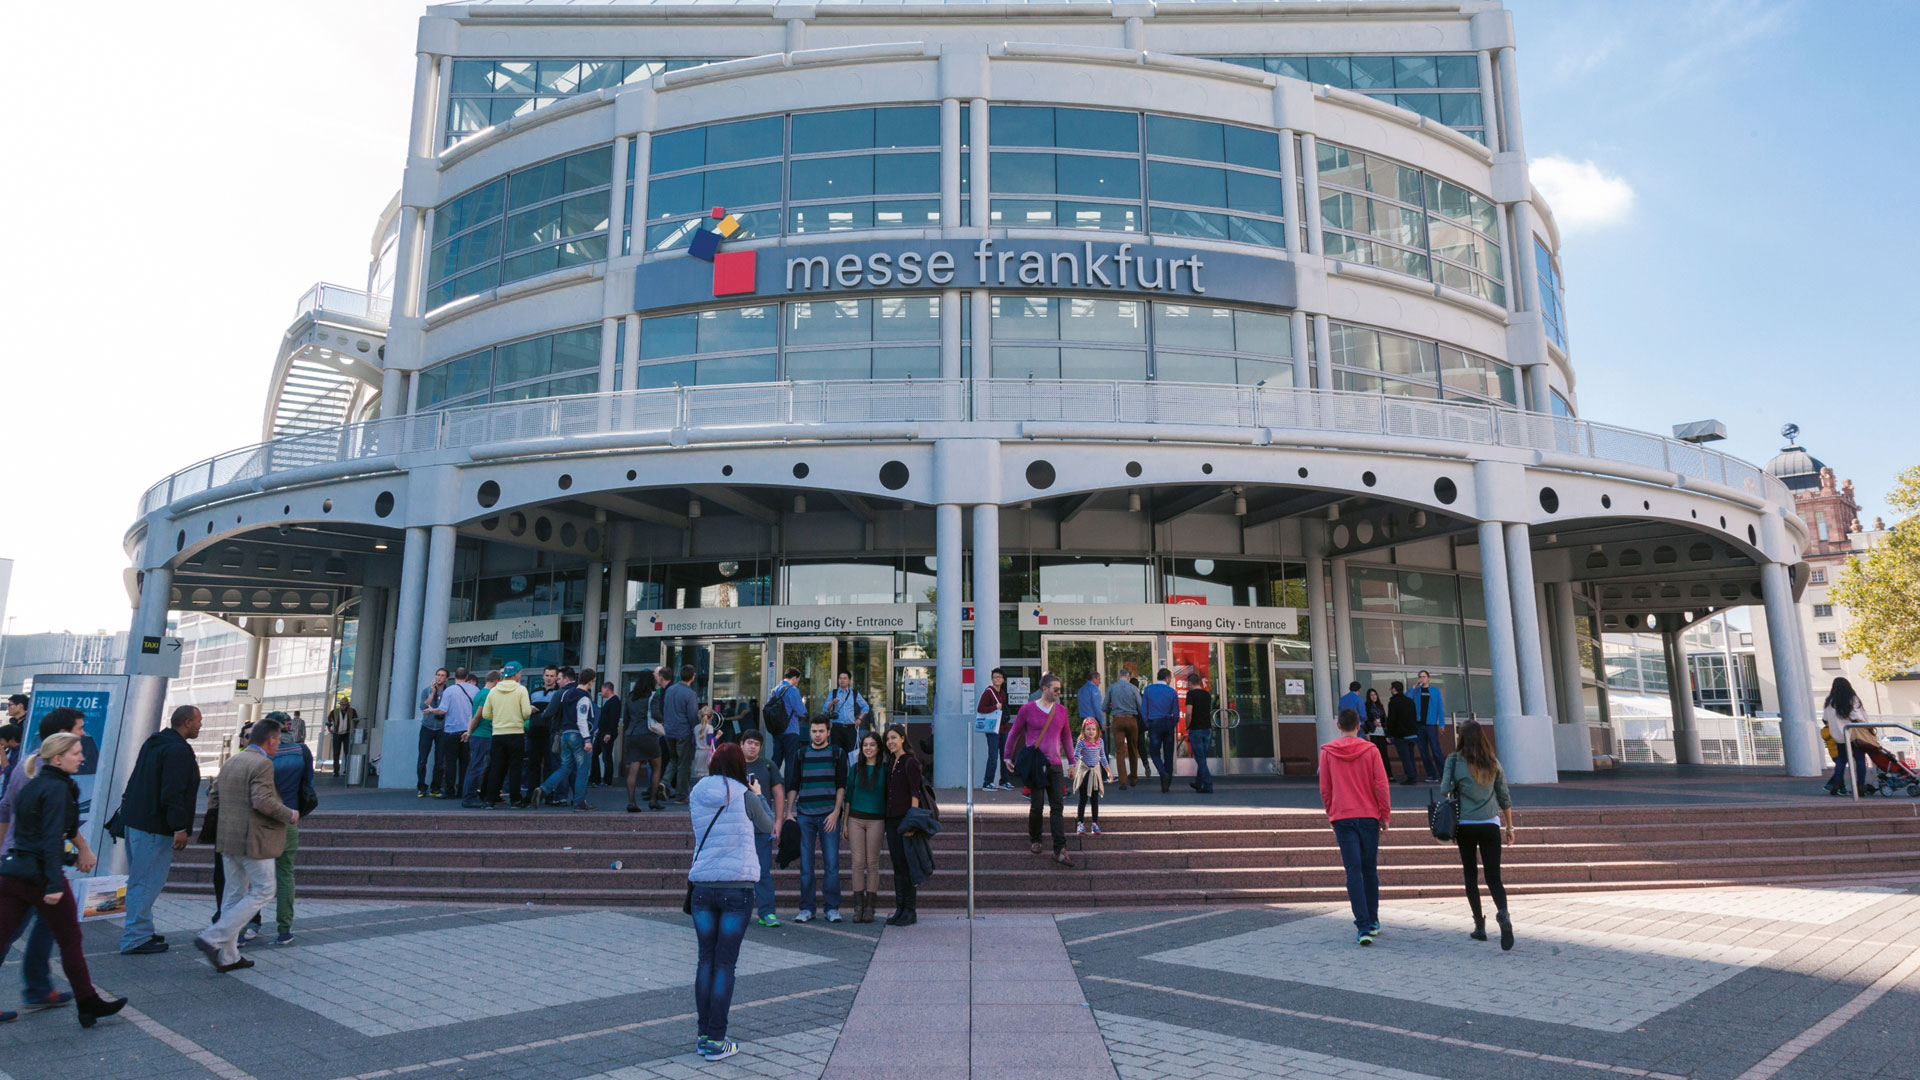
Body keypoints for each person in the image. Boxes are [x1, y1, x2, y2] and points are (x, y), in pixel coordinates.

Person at [0, 732, 128, 1028]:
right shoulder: (58, 789)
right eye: (76, 753)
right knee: (70, 941)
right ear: (58, 758)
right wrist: (56, 884)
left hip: (14, 872)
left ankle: (87, 1003)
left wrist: (75, 856)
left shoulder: (34, 785)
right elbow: (48, 839)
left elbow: (30, 836)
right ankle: (88, 1003)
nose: (82, 758)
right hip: (41, 876)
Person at [0, 707, 95, 1019]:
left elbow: (6, 811)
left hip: (20, 861)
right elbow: (51, 828)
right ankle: (52, 991)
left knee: (36, 927)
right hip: (34, 864)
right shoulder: (45, 775)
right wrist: (79, 851)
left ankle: (40, 987)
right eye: (79, 729)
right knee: (46, 929)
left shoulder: (27, 764)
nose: (83, 734)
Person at [686, 742, 774, 1062]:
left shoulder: (697, 793)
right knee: (725, 964)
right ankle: (717, 1039)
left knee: (705, 961)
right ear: (739, 766)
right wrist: (759, 793)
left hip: (702, 889)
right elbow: (768, 827)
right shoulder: (745, 795)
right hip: (737, 889)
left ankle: (702, 1035)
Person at [196, 717, 298, 972]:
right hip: (253, 839)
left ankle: (228, 956)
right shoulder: (262, 763)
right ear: (271, 739)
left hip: (227, 838)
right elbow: (262, 800)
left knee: (234, 894)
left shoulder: (232, 761)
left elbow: (214, 798)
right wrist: (290, 815)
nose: (279, 745)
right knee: (264, 890)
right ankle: (213, 936)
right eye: (278, 740)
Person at [116, 704, 202, 955]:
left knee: (141, 880)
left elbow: (137, 781)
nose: (200, 725)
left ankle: (142, 929)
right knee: (145, 883)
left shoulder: (154, 743)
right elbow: (172, 792)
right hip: (155, 827)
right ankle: (135, 938)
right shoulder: (176, 750)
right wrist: (180, 827)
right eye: (198, 721)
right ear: (186, 722)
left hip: (137, 823)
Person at [1318, 707, 1391, 946]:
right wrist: (1384, 814)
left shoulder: (1327, 753)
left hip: (1343, 817)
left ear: (1338, 726)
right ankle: (1373, 919)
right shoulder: (1371, 750)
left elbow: (1325, 789)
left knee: (1353, 871)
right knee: (1369, 869)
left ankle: (1362, 928)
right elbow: (1381, 785)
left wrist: (1332, 813)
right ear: (1359, 726)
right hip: (1369, 816)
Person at [1441, 719, 1514, 949]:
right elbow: (1504, 796)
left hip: (1465, 825)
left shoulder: (1454, 760)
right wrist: (1510, 827)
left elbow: (1444, 790)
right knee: (1494, 877)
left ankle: (1479, 927)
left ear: (1461, 737)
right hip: (1490, 824)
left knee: (1470, 874)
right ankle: (1503, 915)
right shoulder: (1493, 761)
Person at [1003, 674, 1075, 866]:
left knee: (1057, 807)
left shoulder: (1061, 711)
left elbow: (1067, 737)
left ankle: (1060, 849)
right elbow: (1014, 732)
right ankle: (1036, 839)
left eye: (1060, 689)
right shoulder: (1027, 710)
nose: (1059, 692)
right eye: (1055, 689)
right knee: (1037, 805)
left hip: (1056, 765)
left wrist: (1073, 763)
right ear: (1044, 689)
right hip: (1036, 766)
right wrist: (1007, 756)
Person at [783, 718, 847, 923]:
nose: (817, 734)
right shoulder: (801, 754)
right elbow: (793, 784)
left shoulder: (838, 753)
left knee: (831, 864)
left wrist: (837, 812)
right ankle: (807, 908)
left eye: (821, 731)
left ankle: (831, 908)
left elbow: (841, 785)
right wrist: (788, 812)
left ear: (828, 732)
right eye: (813, 731)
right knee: (806, 866)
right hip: (804, 815)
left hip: (829, 815)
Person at [265, 712, 317, 946]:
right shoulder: (301, 751)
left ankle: (245, 928)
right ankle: (284, 929)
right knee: (285, 875)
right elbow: (308, 785)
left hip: (262, 821)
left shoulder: (262, 753)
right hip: (290, 819)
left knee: (250, 878)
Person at [737, 729, 784, 927]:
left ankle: (766, 912)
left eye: (756, 743)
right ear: (741, 744)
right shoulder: (733, 765)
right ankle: (737, 911)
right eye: (749, 742)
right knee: (737, 872)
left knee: (762, 871)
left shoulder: (768, 765)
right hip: (737, 827)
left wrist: (778, 821)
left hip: (762, 828)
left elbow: (779, 794)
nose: (752, 746)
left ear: (761, 747)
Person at [882, 724, 927, 926]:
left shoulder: (910, 762)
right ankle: (900, 908)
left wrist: (912, 822)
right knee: (898, 866)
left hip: (905, 820)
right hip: (891, 820)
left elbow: (915, 793)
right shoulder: (892, 761)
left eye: (894, 738)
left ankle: (910, 910)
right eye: (887, 739)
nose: (890, 742)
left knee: (908, 866)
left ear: (902, 738)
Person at [538, 667, 597, 811]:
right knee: (582, 769)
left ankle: (544, 789)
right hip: (578, 735)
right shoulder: (584, 697)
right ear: (590, 682)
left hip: (564, 734)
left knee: (565, 767)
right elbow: (582, 719)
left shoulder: (566, 694)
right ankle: (579, 801)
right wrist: (588, 740)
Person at [844, 731, 888, 923]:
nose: (868, 748)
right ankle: (858, 906)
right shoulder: (855, 768)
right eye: (865, 745)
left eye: (872, 744)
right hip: (855, 819)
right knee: (857, 862)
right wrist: (844, 823)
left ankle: (870, 906)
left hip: (876, 820)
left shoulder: (885, 769)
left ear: (878, 747)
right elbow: (848, 798)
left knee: (872, 863)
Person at [478, 662, 533, 808]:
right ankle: (515, 800)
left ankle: (490, 800)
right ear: (517, 674)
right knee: (515, 768)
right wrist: (519, 717)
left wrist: (499, 719)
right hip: (516, 733)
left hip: (498, 734)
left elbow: (486, 714)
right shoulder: (521, 690)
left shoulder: (494, 691)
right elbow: (527, 712)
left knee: (496, 767)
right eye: (520, 673)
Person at [1823, 677, 1876, 795]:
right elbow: (1858, 716)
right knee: (1860, 759)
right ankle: (1860, 785)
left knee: (1841, 760)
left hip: (1839, 736)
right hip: (1854, 734)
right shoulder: (1852, 698)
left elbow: (1825, 719)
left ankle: (1837, 783)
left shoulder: (1829, 701)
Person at [624, 671, 665, 813]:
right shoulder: (653, 696)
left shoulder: (630, 697)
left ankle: (631, 802)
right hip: (648, 735)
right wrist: (662, 719)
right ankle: (653, 800)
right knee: (656, 767)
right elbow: (656, 714)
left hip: (632, 734)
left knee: (633, 769)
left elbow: (626, 717)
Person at [437, 668, 479, 801]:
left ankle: (449, 790)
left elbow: (443, 710)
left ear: (454, 676)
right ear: (467, 676)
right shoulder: (475, 690)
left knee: (450, 762)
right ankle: (463, 790)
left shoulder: (449, 690)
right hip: (468, 731)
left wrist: (431, 710)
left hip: (451, 731)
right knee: (465, 762)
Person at [459, 671, 499, 808]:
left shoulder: (480, 693)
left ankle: (468, 796)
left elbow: (472, 715)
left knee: (474, 766)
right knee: (476, 767)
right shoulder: (488, 694)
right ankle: (469, 798)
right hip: (483, 735)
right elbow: (478, 716)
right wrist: (470, 731)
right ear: (496, 681)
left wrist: (469, 731)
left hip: (478, 734)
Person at [664, 665, 702, 804]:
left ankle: (664, 782)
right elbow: (692, 716)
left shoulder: (670, 690)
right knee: (683, 764)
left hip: (669, 731)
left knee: (673, 759)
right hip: (683, 732)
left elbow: (665, 710)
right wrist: (695, 732)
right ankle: (681, 795)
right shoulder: (690, 694)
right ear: (693, 677)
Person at [523, 665, 559, 804]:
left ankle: (548, 795)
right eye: (547, 675)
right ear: (543, 676)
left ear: (556, 677)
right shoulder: (534, 692)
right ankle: (530, 794)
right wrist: (529, 707)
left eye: (552, 676)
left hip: (550, 732)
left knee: (550, 765)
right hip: (534, 732)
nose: (549, 678)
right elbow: (525, 708)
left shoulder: (558, 692)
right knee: (533, 765)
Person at [1141, 668, 1181, 794]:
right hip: (1168, 723)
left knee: (1154, 753)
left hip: (1154, 723)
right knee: (1169, 754)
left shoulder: (1148, 690)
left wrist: (1148, 724)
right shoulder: (1172, 692)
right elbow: (1176, 713)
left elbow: (1143, 710)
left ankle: (1163, 774)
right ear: (1167, 678)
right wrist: (1172, 724)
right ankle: (1167, 783)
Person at [1103, 669, 1143, 790]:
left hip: (1118, 720)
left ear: (1118, 676)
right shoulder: (1133, 688)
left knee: (1120, 751)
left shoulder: (1112, 687)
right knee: (1133, 749)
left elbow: (1104, 706)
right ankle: (1134, 777)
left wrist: (1114, 711)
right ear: (1128, 677)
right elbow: (1140, 705)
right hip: (1132, 719)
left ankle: (1122, 780)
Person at [1071, 718, 1111, 835]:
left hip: (1095, 774)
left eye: (1093, 729)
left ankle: (1094, 824)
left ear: (1097, 731)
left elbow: (1102, 757)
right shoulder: (1081, 742)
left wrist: (1108, 771)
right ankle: (1080, 823)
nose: (1091, 731)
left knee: (1094, 799)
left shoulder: (1100, 742)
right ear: (1084, 730)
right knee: (1083, 798)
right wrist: (1072, 767)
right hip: (1085, 773)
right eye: (1088, 729)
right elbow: (1076, 756)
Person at [765, 669, 806, 777]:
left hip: (777, 730)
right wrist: (803, 703)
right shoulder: (792, 690)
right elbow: (801, 712)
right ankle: (789, 790)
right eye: (797, 680)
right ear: (794, 678)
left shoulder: (775, 690)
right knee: (790, 762)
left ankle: (769, 784)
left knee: (776, 759)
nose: (797, 682)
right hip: (790, 730)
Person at [823, 670, 870, 759]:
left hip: (850, 729)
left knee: (851, 755)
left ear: (849, 681)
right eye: (840, 678)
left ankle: (850, 772)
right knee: (836, 754)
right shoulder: (833, 693)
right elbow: (825, 708)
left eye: (845, 678)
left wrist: (859, 719)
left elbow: (865, 707)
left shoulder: (854, 693)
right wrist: (832, 702)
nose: (842, 680)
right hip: (837, 728)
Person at [976, 668, 1011, 790]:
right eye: (995, 677)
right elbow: (980, 709)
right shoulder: (988, 692)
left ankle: (1004, 780)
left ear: (1003, 680)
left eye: (999, 677)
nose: (997, 679)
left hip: (1003, 728)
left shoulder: (1002, 693)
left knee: (1004, 755)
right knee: (993, 756)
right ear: (992, 679)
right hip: (992, 729)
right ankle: (987, 782)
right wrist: (994, 707)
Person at [417, 667, 449, 797]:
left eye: (442, 676)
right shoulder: (426, 690)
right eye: (437, 675)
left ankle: (435, 787)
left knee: (440, 759)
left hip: (442, 728)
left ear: (447, 678)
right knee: (422, 759)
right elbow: (423, 707)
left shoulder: (448, 692)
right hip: (427, 727)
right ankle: (421, 787)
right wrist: (432, 693)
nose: (439, 677)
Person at [1412, 670, 1447, 783]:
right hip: (1419, 725)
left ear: (1428, 678)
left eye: (1424, 677)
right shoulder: (1416, 691)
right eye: (1420, 677)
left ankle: (1444, 774)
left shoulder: (1435, 691)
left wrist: (1441, 723)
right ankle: (1432, 774)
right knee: (1423, 751)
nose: (1422, 679)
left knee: (1436, 750)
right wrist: (1414, 687)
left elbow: (1440, 708)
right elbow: (1407, 698)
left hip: (1431, 725)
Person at [1384, 681, 1420, 785]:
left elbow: (1391, 720)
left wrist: (1388, 734)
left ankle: (1410, 777)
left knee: (1405, 757)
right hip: (1412, 733)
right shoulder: (1410, 701)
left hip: (1400, 734)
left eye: (1391, 688)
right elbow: (1414, 716)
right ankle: (1413, 775)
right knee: (1411, 755)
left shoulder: (1393, 702)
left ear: (1394, 689)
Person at [1186, 675, 1215, 794]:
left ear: (1191, 683)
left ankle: (1208, 785)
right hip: (1207, 728)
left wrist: (1187, 725)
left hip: (1196, 729)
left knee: (1200, 758)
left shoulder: (1191, 694)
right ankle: (1198, 783)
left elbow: (1188, 713)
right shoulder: (1206, 694)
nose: (1187, 686)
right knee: (1202, 757)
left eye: (1188, 683)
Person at [592, 679, 623, 787]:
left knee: (606, 756)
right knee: (595, 754)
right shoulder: (610, 701)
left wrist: (609, 733)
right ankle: (595, 778)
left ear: (607, 689)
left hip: (607, 733)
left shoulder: (614, 701)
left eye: (602, 689)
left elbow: (613, 719)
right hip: (602, 732)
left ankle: (606, 780)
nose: (601, 692)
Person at [1364, 688, 1394, 779]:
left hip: (1381, 732)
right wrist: (1372, 724)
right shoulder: (1366, 706)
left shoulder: (1380, 706)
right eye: (1371, 695)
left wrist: (1385, 728)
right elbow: (1365, 720)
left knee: (1384, 754)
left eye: (1375, 694)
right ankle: (1374, 776)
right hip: (1372, 733)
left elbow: (1385, 718)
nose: (1374, 697)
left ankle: (1389, 775)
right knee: (1373, 755)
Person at [325, 695, 356, 776]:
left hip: (347, 733)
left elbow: (356, 720)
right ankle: (336, 771)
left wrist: (353, 729)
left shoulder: (352, 711)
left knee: (347, 752)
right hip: (337, 734)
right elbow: (328, 720)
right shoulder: (334, 712)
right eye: (342, 704)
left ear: (347, 705)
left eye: (345, 704)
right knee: (336, 752)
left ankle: (347, 770)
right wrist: (329, 729)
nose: (343, 706)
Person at [1076, 670, 1105, 738]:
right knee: (1099, 744)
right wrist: (1102, 722)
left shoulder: (1081, 690)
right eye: (1099, 679)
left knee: (1087, 744)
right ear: (1094, 679)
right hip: (1093, 721)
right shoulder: (1094, 689)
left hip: (1083, 720)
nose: (1100, 682)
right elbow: (1097, 707)